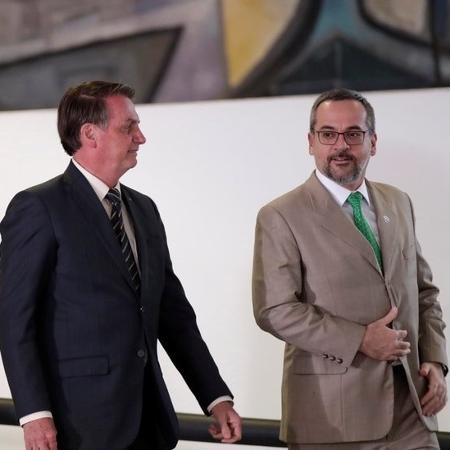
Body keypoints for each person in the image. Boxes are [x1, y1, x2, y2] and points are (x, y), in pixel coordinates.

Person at [0, 81, 241, 450]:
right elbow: (15, 320)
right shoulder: (38, 207)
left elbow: (174, 314)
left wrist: (215, 397)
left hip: (150, 421)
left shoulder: (144, 209)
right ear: (90, 134)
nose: (140, 137)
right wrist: (34, 413)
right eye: (129, 127)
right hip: (78, 425)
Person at [252, 88, 447, 449]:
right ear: (311, 142)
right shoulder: (281, 215)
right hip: (334, 417)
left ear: (373, 142)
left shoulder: (398, 201)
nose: (341, 145)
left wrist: (436, 361)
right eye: (328, 134)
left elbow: (423, 292)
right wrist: (360, 339)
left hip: (413, 410)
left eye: (354, 134)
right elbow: (274, 310)